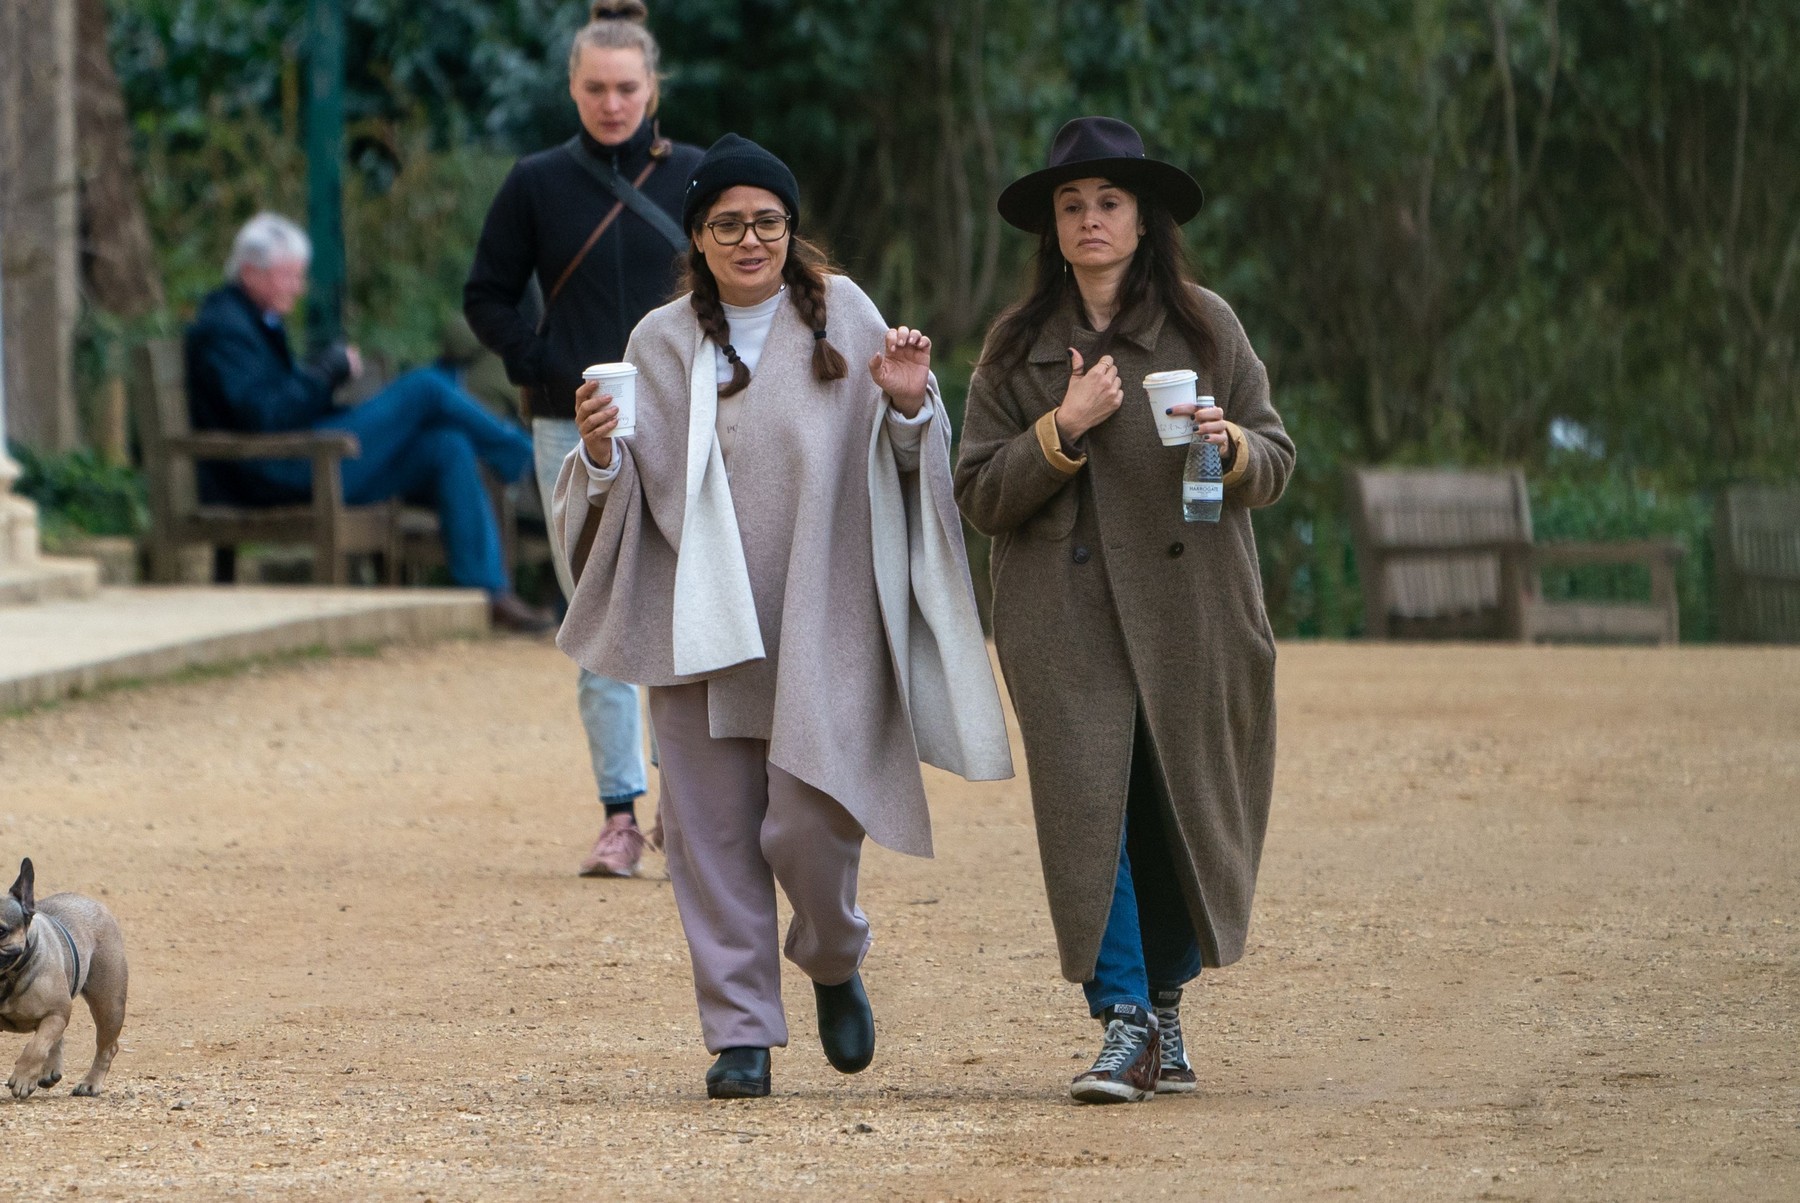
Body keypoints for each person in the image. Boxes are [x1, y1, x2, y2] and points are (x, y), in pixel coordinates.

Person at [551, 134, 1013, 1099]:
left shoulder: (846, 314)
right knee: (709, 838)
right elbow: (623, 490)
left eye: (767, 221)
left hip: (821, 619)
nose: (750, 239)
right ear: (697, 237)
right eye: (727, 225)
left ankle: (833, 956)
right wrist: (596, 453)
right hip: (698, 626)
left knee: (811, 824)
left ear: (792, 229)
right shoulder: (658, 343)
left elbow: (903, 463)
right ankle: (742, 1034)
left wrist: (908, 407)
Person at [954, 117, 1295, 1104]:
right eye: (1072, 205)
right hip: (1062, 621)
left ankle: (1166, 998)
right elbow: (977, 493)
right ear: (1052, 228)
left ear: (1144, 220)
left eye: (1108, 202)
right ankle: (1126, 1018)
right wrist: (1062, 429)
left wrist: (1230, 445)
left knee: (1176, 806)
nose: (1090, 219)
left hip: (1192, 614)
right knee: (1087, 813)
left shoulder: (1208, 328)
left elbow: (1276, 460)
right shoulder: (1015, 347)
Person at [464, 0, 704, 877]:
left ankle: (688, 809)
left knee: (688, 613)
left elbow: (742, 284)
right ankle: (618, 814)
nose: (612, 103)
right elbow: (486, 294)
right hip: (569, 424)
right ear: (572, 87)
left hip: (682, 421)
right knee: (598, 617)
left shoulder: (699, 178)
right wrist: (544, 361)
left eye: (627, 88)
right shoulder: (536, 182)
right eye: (596, 88)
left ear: (653, 89)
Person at [184, 212, 550, 631]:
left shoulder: (253, 320)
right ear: (251, 272)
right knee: (424, 388)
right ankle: (529, 458)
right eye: (289, 276)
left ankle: (490, 594)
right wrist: (325, 373)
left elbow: (277, 403)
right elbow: (265, 417)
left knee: (446, 445)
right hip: (273, 470)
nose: (298, 287)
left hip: (296, 458)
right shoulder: (226, 328)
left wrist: (323, 377)